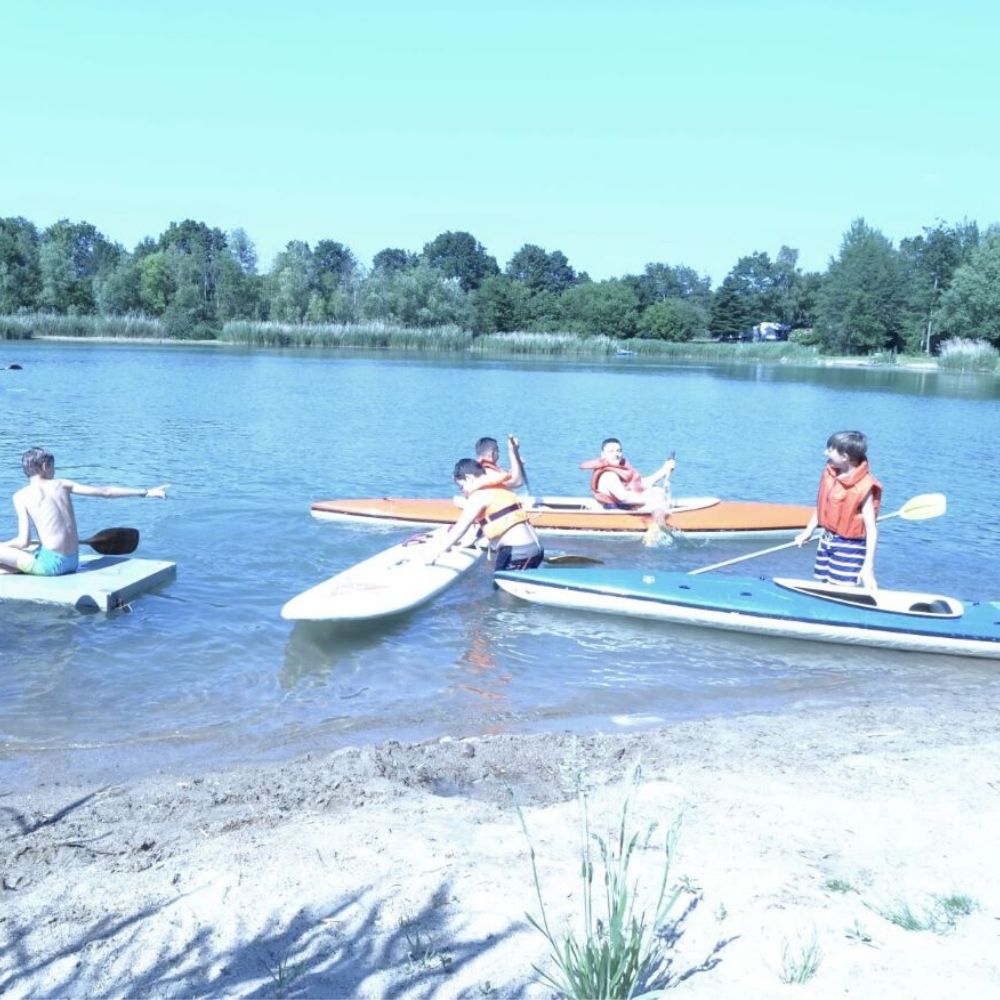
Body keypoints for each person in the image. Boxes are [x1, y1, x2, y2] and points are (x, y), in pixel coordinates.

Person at [0, 447, 168, 577]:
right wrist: (146, 492)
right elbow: (106, 492)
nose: (54, 470)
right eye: (53, 466)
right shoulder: (63, 484)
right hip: (72, 561)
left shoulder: (20, 496)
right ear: (45, 466)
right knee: (28, 553)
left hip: (50, 567)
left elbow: (23, 541)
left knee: (14, 551)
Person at [794, 430, 881, 589]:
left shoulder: (864, 486)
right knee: (824, 584)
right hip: (826, 539)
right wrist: (808, 531)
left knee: (841, 586)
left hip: (849, 546)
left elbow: (871, 529)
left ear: (845, 457)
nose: (825, 453)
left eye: (830, 450)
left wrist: (868, 567)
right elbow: (823, 507)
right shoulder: (831, 472)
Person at [423, 458, 544, 571]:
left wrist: (435, 555)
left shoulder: (479, 496)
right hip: (535, 549)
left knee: (502, 592)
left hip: (518, 553)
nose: (462, 491)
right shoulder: (500, 487)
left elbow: (459, 529)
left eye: (461, 486)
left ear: (469, 478)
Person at [579, 438, 676, 523]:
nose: (616, 454)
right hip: (615, 513)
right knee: (656, 497)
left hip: (623, 508)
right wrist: (651, 500)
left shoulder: (619, 470)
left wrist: (664, 470)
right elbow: (625, 498)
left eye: (618, 451)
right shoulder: (608, 475)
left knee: (656, 491)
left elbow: (640, 485)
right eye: (611, 451)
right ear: (603, 455)